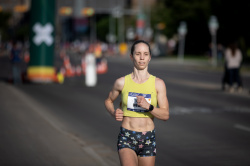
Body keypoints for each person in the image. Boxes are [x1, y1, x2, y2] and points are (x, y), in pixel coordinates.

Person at [104, 40, 169, 166]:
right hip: (127, 136)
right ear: (131, 56)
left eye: (145, 54)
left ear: (150, 57)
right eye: (138, 53)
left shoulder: (158, 84)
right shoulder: (121, 82)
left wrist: (149, 107)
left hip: (148, 138)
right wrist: (113, 112)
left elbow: (165, 115)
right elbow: (108, 101)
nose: (142, 57)